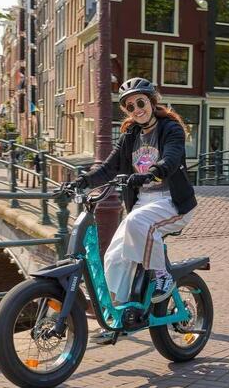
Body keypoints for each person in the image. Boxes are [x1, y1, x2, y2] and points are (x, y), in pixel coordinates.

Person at [77, 78, 197, 305]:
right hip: (142, 205)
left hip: (172, 202)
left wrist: (152, 173)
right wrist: (83, 181)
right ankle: (117, 310)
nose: (137, 110)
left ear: (151, 101)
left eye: (140, 103)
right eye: (130, 106)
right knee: (113, 256)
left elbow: (170, 159)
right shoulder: (130, 136)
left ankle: (162, 276)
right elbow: (108, 168)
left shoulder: (171, 129)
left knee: (137, 222)